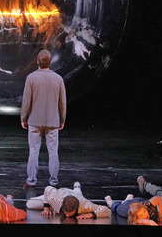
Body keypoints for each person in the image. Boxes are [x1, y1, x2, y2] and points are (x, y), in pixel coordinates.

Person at [20, 49, 66, 188]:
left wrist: (24, 117)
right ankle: (53, 182)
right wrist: (62, 119)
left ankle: (31, 181)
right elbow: (62, 102)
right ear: (50, 62)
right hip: (52, 121)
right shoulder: (58, 78)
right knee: (53, 152)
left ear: (37, 62)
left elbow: (26, 101)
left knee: (33, 151)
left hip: (34, 120)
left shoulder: (31, 78)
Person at [26, 182, 111, 219]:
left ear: (76, 208)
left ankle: (77, 187)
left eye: (69, 214)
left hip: (77, 197)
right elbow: (47, 189)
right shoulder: (55, 198)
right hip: (61, 192)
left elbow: (107, 210)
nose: (67, 217)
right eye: (65, 213)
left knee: (78, 194)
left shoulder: (85, 205)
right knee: (29, 204)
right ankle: (76, 188)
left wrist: (90, 214)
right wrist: (46, 208)